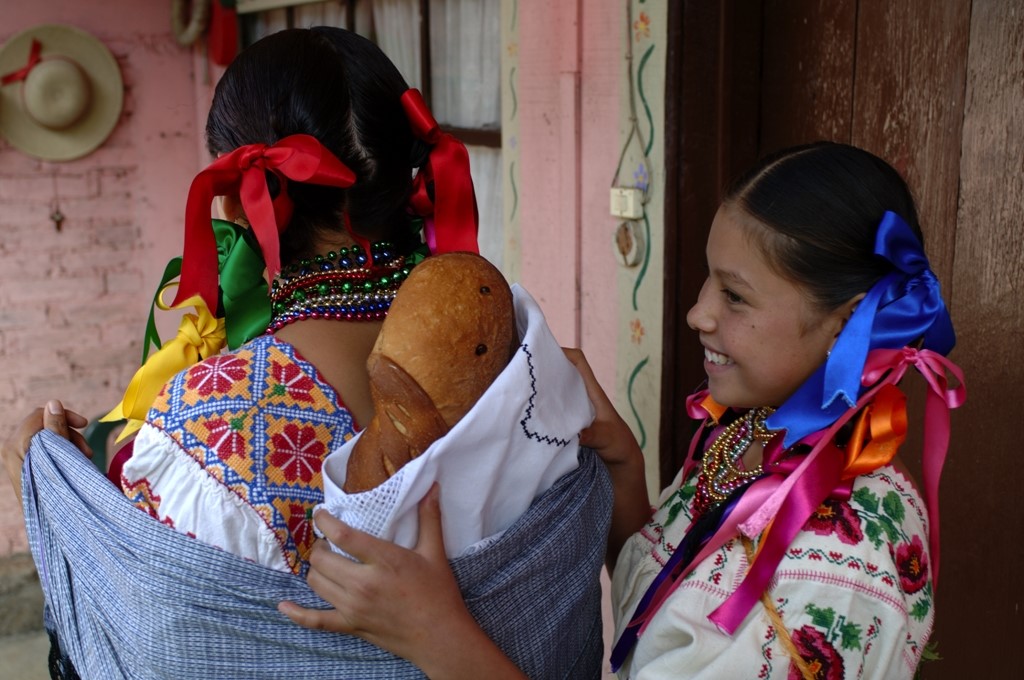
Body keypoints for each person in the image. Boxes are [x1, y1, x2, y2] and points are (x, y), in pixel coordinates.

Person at [2, 26, 611, 680]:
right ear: (411, 177)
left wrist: (48, 490)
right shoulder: (525, 364)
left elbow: (142, 635)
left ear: (238, 202)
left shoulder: (211, 421)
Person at [278, 141, 965, 679]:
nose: (698, 312)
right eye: (708, 278)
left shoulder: (845, 561)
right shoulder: (757, 438)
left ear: (849, 324)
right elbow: (666, 608)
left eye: (736, 296)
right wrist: (624, 464)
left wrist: (434, 635)